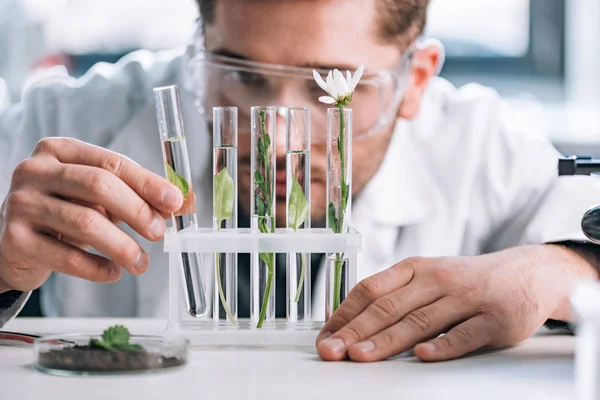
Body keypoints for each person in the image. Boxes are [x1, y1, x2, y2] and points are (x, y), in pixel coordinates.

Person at [1, 0, 599, 362]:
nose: (277, 143)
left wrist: (563, 269)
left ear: (416, 79)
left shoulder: (479, 148)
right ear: (198, 48)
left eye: (331, 86)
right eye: (240, 75)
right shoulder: (69, 121)